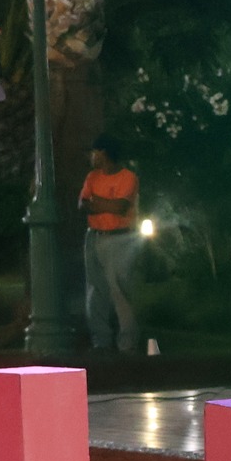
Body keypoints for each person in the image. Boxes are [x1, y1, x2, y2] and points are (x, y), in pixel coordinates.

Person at [79, 137, 141, 352]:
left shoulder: (128, 178)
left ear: (104, 153)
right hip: (94, 236)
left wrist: (98, 203)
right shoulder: (92, 177)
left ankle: (127, 344)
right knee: (95, 290)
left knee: (119, 290)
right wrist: (106, 205)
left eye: (94, 152)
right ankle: (101, 342)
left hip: (118, 238)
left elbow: (120, 208)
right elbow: (83, 204)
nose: (91, 156)